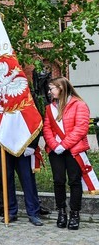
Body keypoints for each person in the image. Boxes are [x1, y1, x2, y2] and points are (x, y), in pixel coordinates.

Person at [43, 76, 91, 230]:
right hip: (55, 150)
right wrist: (54, 145)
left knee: (74, 181)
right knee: (58, 181)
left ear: (61, 88)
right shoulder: (50, 108)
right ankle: (61, 212)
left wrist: (64, 145)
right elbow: (47, 128)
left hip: (73, 150)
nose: (50, 92)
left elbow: (81, 128)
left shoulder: (79, 105)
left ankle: (75, 214)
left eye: (52, 88)